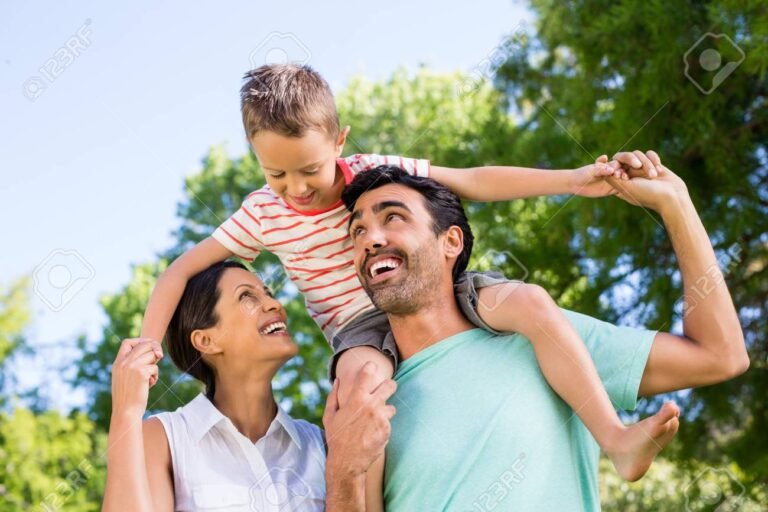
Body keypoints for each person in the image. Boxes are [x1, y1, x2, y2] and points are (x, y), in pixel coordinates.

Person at [139, 63, 662, 509]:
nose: (296, 188)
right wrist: (145, 348)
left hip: (430, 288)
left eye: (310, 170)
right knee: (360, 385)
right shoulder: (263, 213)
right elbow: (179, 271)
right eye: (276, 174)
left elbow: (473, 179)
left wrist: (570, 180)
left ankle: (614, 437)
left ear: (339, 141)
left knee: (529, 301)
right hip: (357, 327)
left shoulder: (374, 172)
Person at [340, 154, 749, 510]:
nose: (370, 239)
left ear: (451, 242)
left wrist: (676, 205)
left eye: (393, 218)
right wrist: (342, 471)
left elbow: (720, 356)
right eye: (357, 231)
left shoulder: (546, 336)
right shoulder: (366, 394)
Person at [102, 261, 396, 511]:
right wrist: (126, 413)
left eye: (268, 293)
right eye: (247, 297)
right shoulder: (165, 438)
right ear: (206, 340)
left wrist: (346, 474)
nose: (274, 304)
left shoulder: (322, 444)